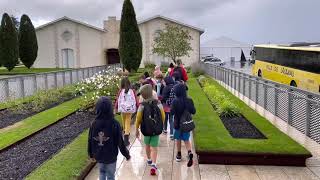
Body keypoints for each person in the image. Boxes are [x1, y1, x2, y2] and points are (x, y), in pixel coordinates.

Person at [88, 96, 131, 180]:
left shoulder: (94, 124)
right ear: (110, 109)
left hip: (99, 155)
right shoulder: (115, 124)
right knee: (110, 175)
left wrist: (91, 154)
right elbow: (120, 142)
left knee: (102, 172)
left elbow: (90, 140)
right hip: (111, 156)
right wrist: (126, 154)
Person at [135, 84, 165, 176]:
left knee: (147, 145)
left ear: (143, 95)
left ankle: (149, 159)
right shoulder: (158, 103)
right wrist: (161, 124)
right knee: (154, 148)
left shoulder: (142, 106)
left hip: (146, 130)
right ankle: (154, 165)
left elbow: (138, 119)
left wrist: (136, 129)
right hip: (156, 130)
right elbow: (163, 116)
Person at [171, 83, 196, 167]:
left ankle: (179, 154)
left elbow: (172, 112)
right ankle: (189, 152)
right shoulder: (189, 100)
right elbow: (193, 111)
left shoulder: (175, 101)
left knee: (178, 139)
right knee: (186, 139)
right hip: (186, 124)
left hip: (177, 124)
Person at [114, 77, 139, 146]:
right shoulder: (132, 91)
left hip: (123, 109)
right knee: (128, 121)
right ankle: (126, 137)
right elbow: (136, 99)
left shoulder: (120, 91)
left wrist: (115, 108)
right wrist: (138, 106)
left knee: (124, 121)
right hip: (130, 109)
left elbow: (117, 100)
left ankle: (126, 132)